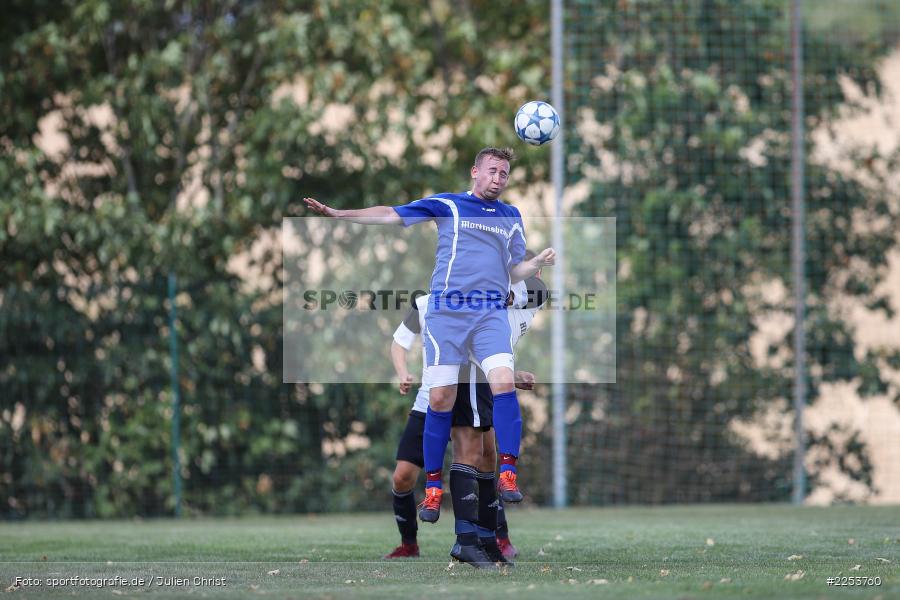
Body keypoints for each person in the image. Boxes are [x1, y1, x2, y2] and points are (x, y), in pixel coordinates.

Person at [304, 148, 555, 533]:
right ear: (475, 172)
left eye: (504, 173)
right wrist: (341, 214)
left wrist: (535, 264)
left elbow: (515, 270)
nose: (498, 178)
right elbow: (391, 213)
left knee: (504, 383)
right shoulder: (449, 205)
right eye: (492, 171)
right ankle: (434, 488)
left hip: (488, 314)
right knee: (440, 398)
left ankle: (508, 472)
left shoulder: (510, 217)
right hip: (448, 314)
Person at [383, 265, 548, 568]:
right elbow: (400, 342)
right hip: (436, 395)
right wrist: (403, 372)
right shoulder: (428, 304)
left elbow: (537, 293)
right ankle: (430, 541)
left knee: (485, 457)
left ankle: (491, 540)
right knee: (407, 474)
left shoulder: (499, 299)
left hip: (474, 383)